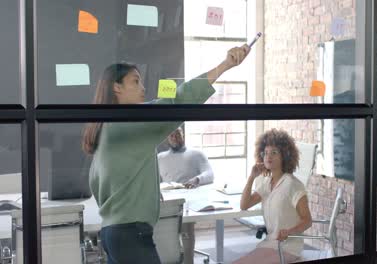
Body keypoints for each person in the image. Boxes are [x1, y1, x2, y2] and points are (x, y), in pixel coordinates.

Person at [81, 44, 250, 264]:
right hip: (131, 234)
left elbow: (102, 184)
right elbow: (179, 100)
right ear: (117, 88)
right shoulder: (130, 122)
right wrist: (225, 65)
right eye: (135, 81)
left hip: (113, 233)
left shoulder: (106, 128)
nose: (142, 88)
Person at [233, 129, 312, 264]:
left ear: (284, 156)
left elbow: (307, 220)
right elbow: (244, 205)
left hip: (288, 247)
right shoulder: (266, 182)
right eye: (266, 153)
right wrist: (251, 177)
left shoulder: (293, 185)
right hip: (269, 244)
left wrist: (289, 231)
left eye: (274, 153)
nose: (268, 157)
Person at [158, 127, 214, 264]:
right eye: (171, 135)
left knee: (185, 229)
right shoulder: (160, 158)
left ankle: (189, 261)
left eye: (178, 134)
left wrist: (197, 179)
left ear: (183, 134)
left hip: (189, 202)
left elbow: (210, 174)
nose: (175, 137)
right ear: (167, 139)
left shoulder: (196, 154)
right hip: (168, 202)